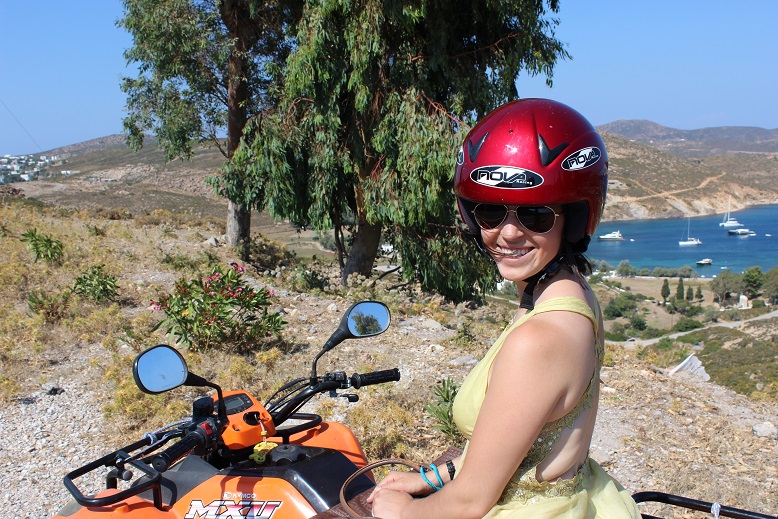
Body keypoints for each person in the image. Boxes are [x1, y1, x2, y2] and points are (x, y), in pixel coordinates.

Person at [367, 99, 641, 518]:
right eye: (491, 212)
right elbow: (522, 437)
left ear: (571, 217)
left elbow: (470, 501)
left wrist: (403, 510)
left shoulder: (540, 338)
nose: (508, 233)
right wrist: (433, 477)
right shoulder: (566, 294)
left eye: (535, 214)